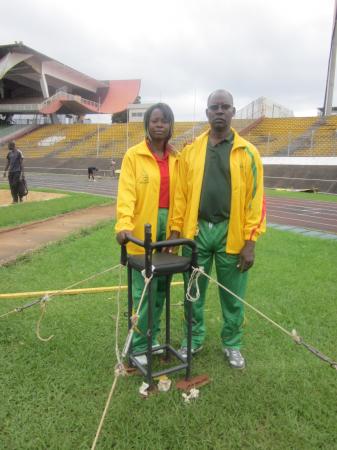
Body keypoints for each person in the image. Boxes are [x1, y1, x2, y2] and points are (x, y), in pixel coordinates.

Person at [169, 89, 266, 369]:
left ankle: (232, 344)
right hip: (197, 231)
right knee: (192, 291)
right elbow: (181, 197)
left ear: (233, 112)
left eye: (225, 107)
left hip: (231, 232)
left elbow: (256, 200)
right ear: (207, 113)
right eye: (215, 107)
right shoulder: (191, 151)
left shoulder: (248, 152)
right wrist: (176, 232)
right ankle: (193, 338)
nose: (220, 111)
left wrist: (250, 241)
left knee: (233, 294)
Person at [115, 103, 179, 366]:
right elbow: (127, 193)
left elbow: (182, 197)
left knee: (162, 287)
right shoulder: (133, 155)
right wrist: (124, 225)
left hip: (169, 226)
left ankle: (152, 337)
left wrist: (176, 228)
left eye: (164, 121)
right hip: (144, 227)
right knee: (143, 289)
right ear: (147, 125)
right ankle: (139, 345)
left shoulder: (177, 157)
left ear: (171, 126)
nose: (159, 125)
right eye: (154, 120)